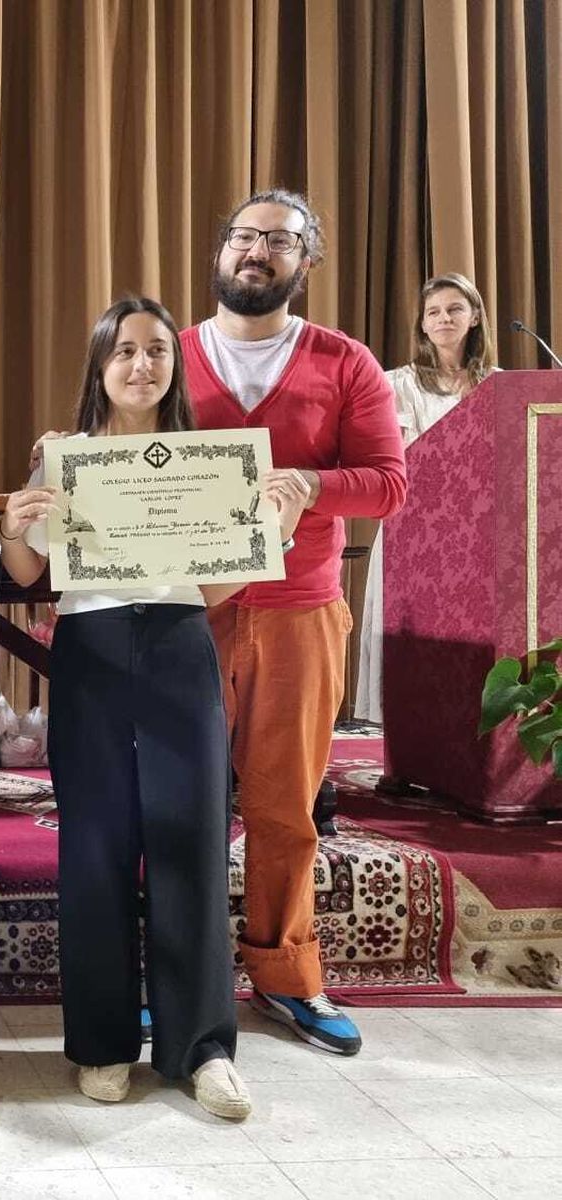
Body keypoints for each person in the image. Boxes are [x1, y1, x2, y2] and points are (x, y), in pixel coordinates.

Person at [0, 297, 307, 1120]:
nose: (142, 365)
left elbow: (211, 588)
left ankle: (201, 1048)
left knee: (195, 843)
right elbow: (29, 575)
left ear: (175, 366)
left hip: (178, 647)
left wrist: (272, 530)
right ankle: (102, 1045)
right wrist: (19, 522)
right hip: (92, 653)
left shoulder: (209, 464)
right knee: (95, 851)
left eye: (158, 351)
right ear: (100, 366)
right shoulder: (62, 457)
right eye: (126, 351)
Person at [182, 188, 407, 1056]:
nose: (256, 252)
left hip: (299, 610)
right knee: (181, 807)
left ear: (306, 262)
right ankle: (180, 978)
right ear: (222, 250)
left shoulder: (344, 362)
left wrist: (314, 484)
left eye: (279, 241)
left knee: (282, 809)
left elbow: (389, 483)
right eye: (244, 236)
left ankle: (286, 977)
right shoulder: (173, 353)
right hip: (186, 616)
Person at [355, 272, 496, 724]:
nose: (443, 319)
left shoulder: (498, 386)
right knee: (411, 638)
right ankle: (404, 738)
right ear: (421, 324)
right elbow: (393, 459)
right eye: (433, 312)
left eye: (455, 309)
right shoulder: (395, 383)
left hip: (480, 531)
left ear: (474, 317)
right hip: (413, 526)